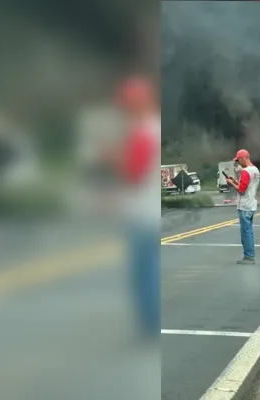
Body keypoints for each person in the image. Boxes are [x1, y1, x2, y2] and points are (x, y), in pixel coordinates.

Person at [112, 75, 161, 341]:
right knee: (148, 268)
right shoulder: (153, 128)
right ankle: (149, 323)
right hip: (149, 212)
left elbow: (132, 173)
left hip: (141, 214)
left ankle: (148, 325)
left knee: (144, 272)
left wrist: (113, 159)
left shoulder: (142, 133)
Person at [226, 149, 260, 264]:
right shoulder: (255, 170)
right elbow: (247, 185)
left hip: (244, 205)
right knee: (249, 231)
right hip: (251, 204)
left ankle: (249, 257)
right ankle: (250, 255)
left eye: (238, 160)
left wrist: (231, 184)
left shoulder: (245, 171)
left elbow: (241, 189)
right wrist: (235, 181)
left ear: (243, 158)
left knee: (245, 232)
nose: (238, 163)